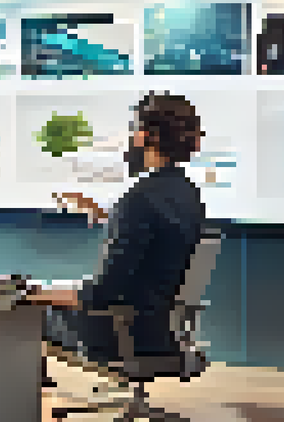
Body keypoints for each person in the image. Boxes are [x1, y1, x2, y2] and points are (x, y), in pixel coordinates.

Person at [27, 93, 207, 373]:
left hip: (125, 334)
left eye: (135, 129)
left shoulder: (138, 199)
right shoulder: (186, 193)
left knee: (21, 313)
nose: (132, 137)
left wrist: (36, 293)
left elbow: (101, 294)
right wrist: (106, 216)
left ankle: (27, 409)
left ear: (148, 137)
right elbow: (157, 239)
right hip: (157, 328)